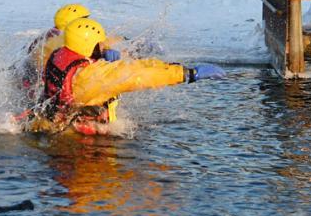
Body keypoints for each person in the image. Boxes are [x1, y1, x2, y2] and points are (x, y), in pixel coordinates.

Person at [23, 18, 225, 136]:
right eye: (98, 45)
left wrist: (130, 46)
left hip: (49, 122)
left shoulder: (61, 53)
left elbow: (101, 48)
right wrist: (187, 73)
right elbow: (139, 74)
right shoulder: (94, 76)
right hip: (78, 136)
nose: (102, 47)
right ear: (88, 45)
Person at [19, 4, 121, 102]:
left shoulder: (49, 35)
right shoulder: (65, 43)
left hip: (31, 80)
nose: (88, 22)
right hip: (39, 87)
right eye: (85, 19)